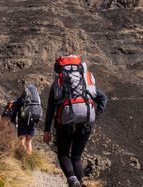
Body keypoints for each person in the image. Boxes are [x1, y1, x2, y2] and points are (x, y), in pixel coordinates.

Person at [43, 54, 107, 187]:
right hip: (86, 121)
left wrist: (47, 130)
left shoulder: (58, 82)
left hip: (65, 122)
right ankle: (78, 183)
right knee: (77, 157)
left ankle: (72, 180)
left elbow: (51, 107)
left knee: (63, 155)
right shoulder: (84, 81)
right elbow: (103, 99)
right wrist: (95, 116)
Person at [10, 84, 42, 155]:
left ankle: (23, 158)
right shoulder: (36, 101)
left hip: (22, 122)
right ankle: (29, 159)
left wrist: (13, 122)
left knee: (22, 139)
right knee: (29, 141)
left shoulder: (21, 100)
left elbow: (14, 112)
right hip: (33, 122)